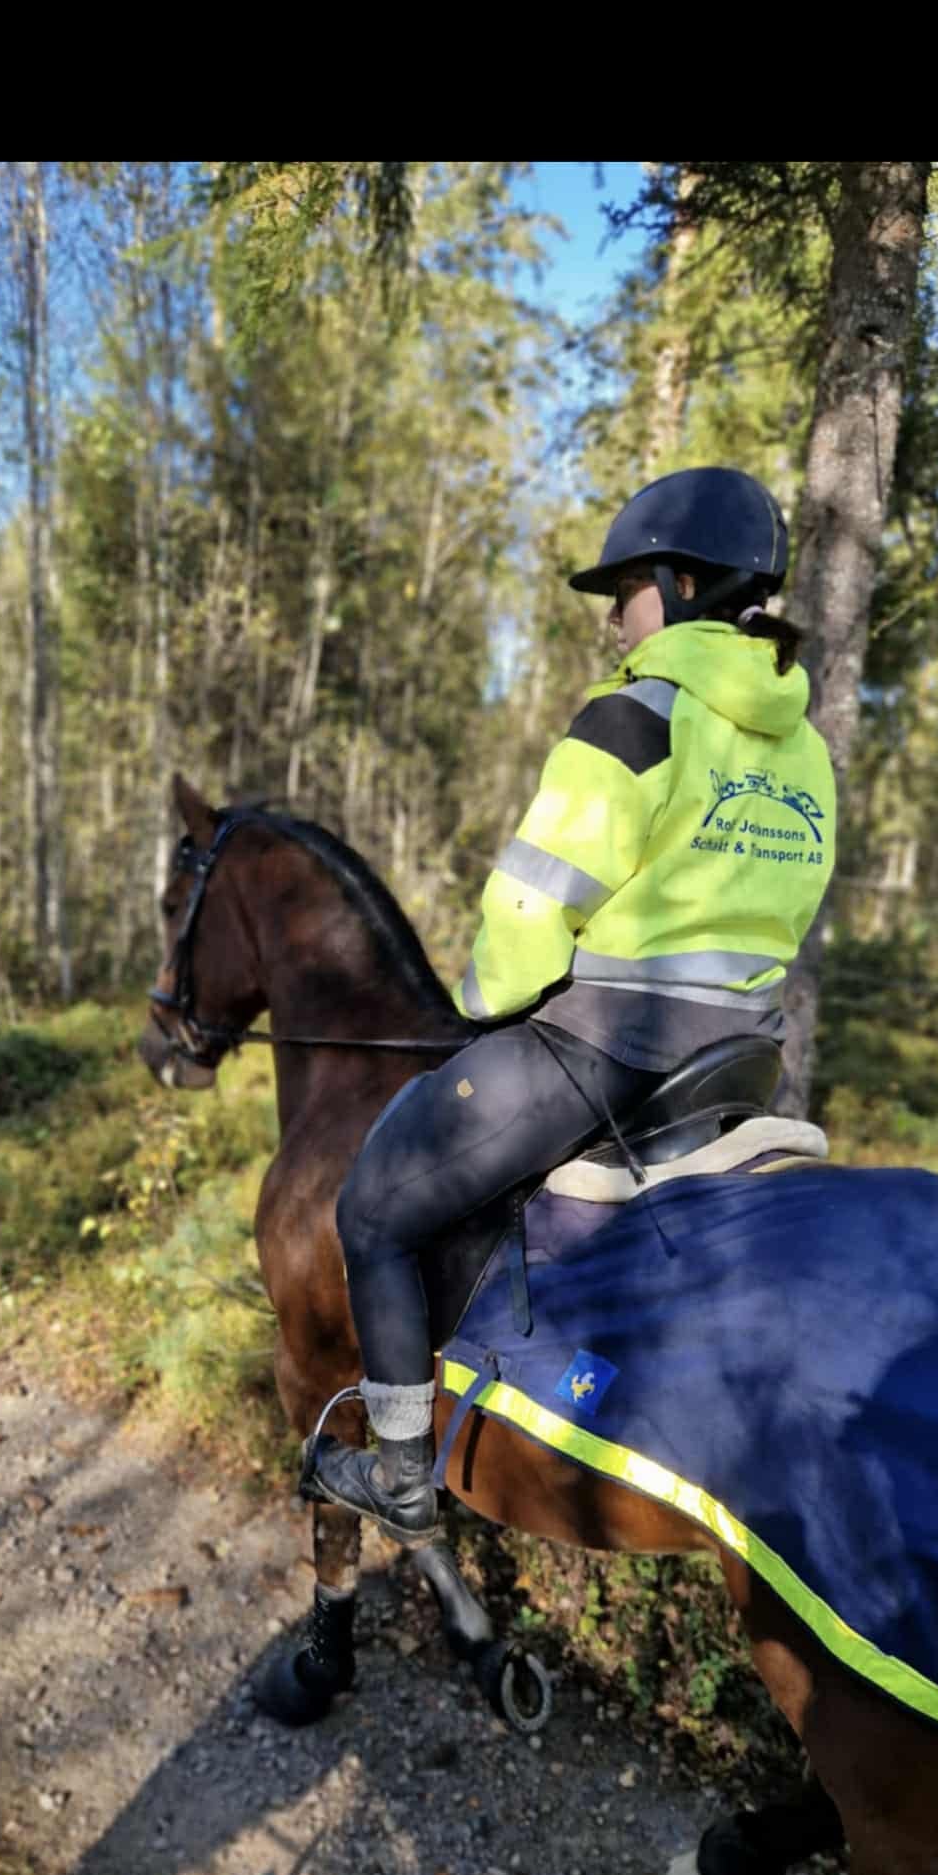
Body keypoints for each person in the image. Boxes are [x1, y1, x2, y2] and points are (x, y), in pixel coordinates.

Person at [303, 465, 837, 1544]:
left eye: (627, 584)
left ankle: (403, 1474)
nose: (611, 613)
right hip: (738, 1058)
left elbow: (531, 901)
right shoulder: (809, 749)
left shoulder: (635, 719)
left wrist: (489, 996)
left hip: (608, 1048)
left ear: (685, 584)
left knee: (371, 1208)